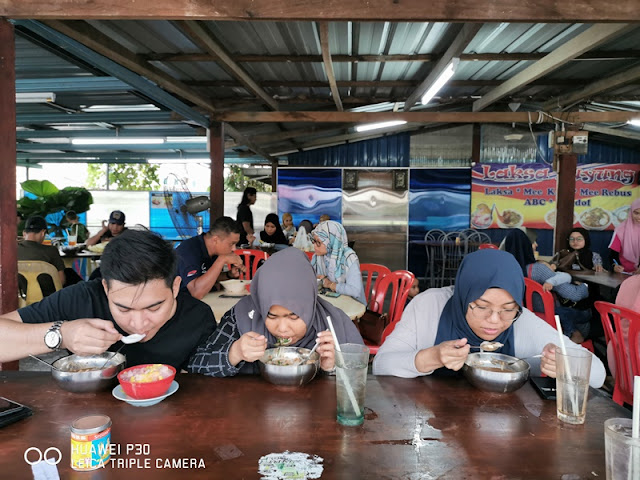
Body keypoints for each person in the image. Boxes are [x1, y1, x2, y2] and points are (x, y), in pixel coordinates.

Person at [372, 249, 605, 388]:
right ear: (464, 296)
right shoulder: (429, 306)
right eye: (482, 306)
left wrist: (566, 365)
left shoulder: (522, 322)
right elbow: (381, 365)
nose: (495, 320)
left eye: (508, 308)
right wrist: (431, 357)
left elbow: (598, 374)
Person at [0, 229, 216, 370]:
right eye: (124, 309)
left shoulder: (198, 318)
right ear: (106, 287)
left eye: (154, 307)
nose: (139, 325)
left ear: (176, 287)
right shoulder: (83, 299)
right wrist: (61, 334)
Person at [188, 247, 364, 376]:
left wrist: (332, 367)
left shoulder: (332, 323)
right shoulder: (242, 316)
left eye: (294, 316)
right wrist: (234, 353)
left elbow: (360, 383)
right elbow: (196, 363)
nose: (282, 329)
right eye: (271, 316)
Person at [503, 228, 591, 343]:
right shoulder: (538, 270)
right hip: (549, 320)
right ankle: (576, 338)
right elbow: (574, 295)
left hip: (521, 320)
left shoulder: (504, 270)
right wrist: (585, 287)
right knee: (588, 312)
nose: (536, 245)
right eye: (533, 242)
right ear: (526, 245)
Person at [176, 216, 245, 300]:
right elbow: (196, 293)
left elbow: (207, 276)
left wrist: (229, 274)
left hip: (205, 301)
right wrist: (221, 260)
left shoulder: (215, 251)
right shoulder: (189, 250)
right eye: (231, 244)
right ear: (215, 240)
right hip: (180, 304)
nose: (234, 249)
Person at [310, 221, 366, 305]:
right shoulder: (318, 257)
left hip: (352, 306)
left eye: (319, 242)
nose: (314, 246)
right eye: (314, 241)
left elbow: (355, 290)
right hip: (330, 303)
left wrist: (330, 284)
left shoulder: (349, 258)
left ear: (331, 241)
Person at [17, 215, 66, 290]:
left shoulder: (13, 250)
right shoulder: (51, 251)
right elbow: (61, 281)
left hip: (22, 297)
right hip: (47, 298)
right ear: (43, 233)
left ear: (24, 233)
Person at [609, 198, 640, 274]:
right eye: (636, 213)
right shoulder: (621, 230)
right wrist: (615, 266)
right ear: (631, 212)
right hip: (624, 273)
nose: (639, 217)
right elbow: (613, 254)